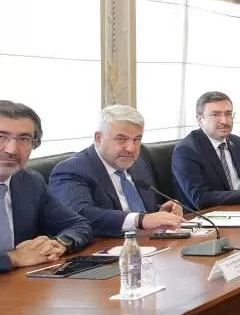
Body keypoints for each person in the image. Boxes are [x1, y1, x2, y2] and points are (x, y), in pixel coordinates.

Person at [50, 105, 185, 238]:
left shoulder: (137, 164)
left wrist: (162, 213)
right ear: (98, 138)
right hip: (105, 247)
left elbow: (137, 210)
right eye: (121, 139)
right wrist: (140, 220)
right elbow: (81, 215)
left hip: (147, 243)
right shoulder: (72, 170)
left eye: (137, 139)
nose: (131, 148)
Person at [0, 100, 92, 272]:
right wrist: (13, 258)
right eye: (1, 137)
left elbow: (79, 225)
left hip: (20, 283)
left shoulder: (29, 182)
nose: (12, 149)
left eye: (24, 139)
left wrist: (58, 243)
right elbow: (17, 257)